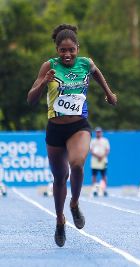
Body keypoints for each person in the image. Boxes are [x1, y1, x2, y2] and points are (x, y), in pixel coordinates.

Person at [27, 24, 117, 247]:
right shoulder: (49, 66)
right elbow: (31, 99)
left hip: (79, 126)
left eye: (71, 50)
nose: (67, 54)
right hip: (55, 129)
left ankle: (75, 204)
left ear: (77, 48)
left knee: (77, 163)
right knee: (60, 177)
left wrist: (109, 93)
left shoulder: (86, 63)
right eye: (62, 50)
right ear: (57, 50)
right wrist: (43, 82)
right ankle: (60, 220)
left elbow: (97, 73)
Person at [90, 127, 110, 196]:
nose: (98, 133)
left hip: (103, 161)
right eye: (97, 132)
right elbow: (91, 150)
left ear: (101, 132)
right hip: (95, 161)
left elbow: (107, 150)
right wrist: (97, 156)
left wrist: (102, 156)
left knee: (104, 175)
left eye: (99, 132)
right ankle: (94, 189)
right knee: (94, 176)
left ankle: (104, 189)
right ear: (95, 133)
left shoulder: (105, 140)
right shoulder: (93, 141)